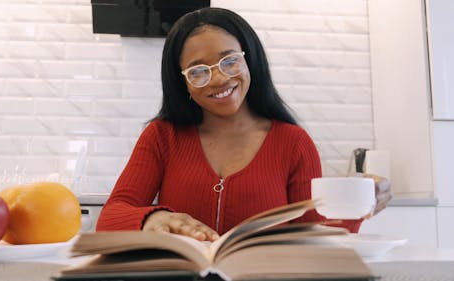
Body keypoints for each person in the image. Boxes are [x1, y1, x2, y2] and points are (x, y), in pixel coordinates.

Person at [96, 7, 392, 241]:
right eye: (199, 71)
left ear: (251, 60)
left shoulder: (294, 142)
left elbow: (315, 234)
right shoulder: (162, 137)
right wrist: (152, 219)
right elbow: (110, 218)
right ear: (182, 82)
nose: (220, 79)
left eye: (229, 61)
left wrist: (361, 204)